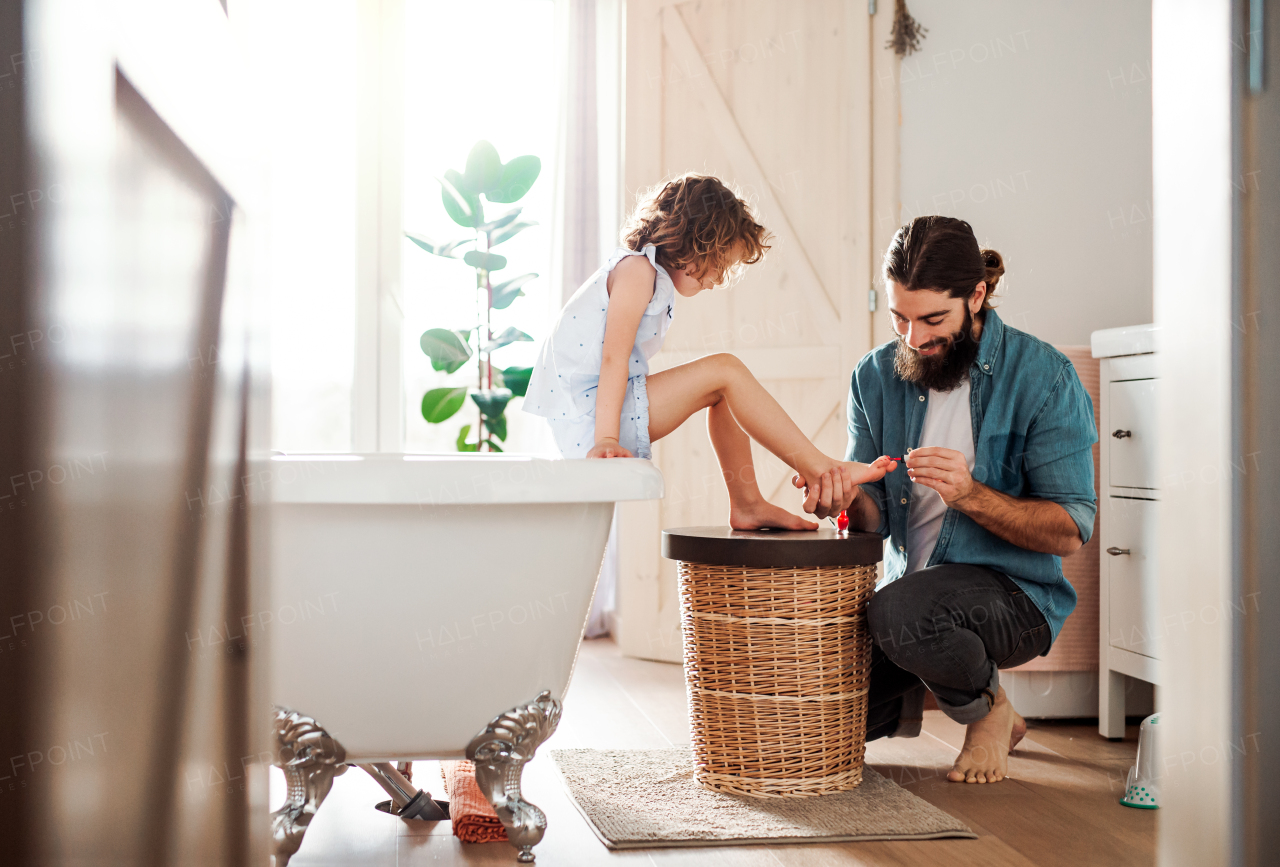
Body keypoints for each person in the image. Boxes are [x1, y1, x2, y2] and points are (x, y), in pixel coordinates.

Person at [799, 215, 1098, 783]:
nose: (915, 338)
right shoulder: (874, 377)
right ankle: (948, 683)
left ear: (977, 295)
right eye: (899, 318)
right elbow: (873, 522)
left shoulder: (1044, 378)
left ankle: (987, 709)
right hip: (905, 599)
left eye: (933, 318)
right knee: (811, 726)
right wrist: (842, 496)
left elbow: (1069, 529)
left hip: (1015, 598)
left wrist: (971, 495)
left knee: (903, 610)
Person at [525, 173, 896, 529]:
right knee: (726, 371)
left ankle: (748, 504)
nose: (719, 279)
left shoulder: (648, 276)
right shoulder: (637, 271)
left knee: (728, 394)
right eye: (720, 263)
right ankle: (821, 467)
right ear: (694, 242)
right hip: (591, 418)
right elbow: (613, 358)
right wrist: (606, 439)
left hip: (598, 410)